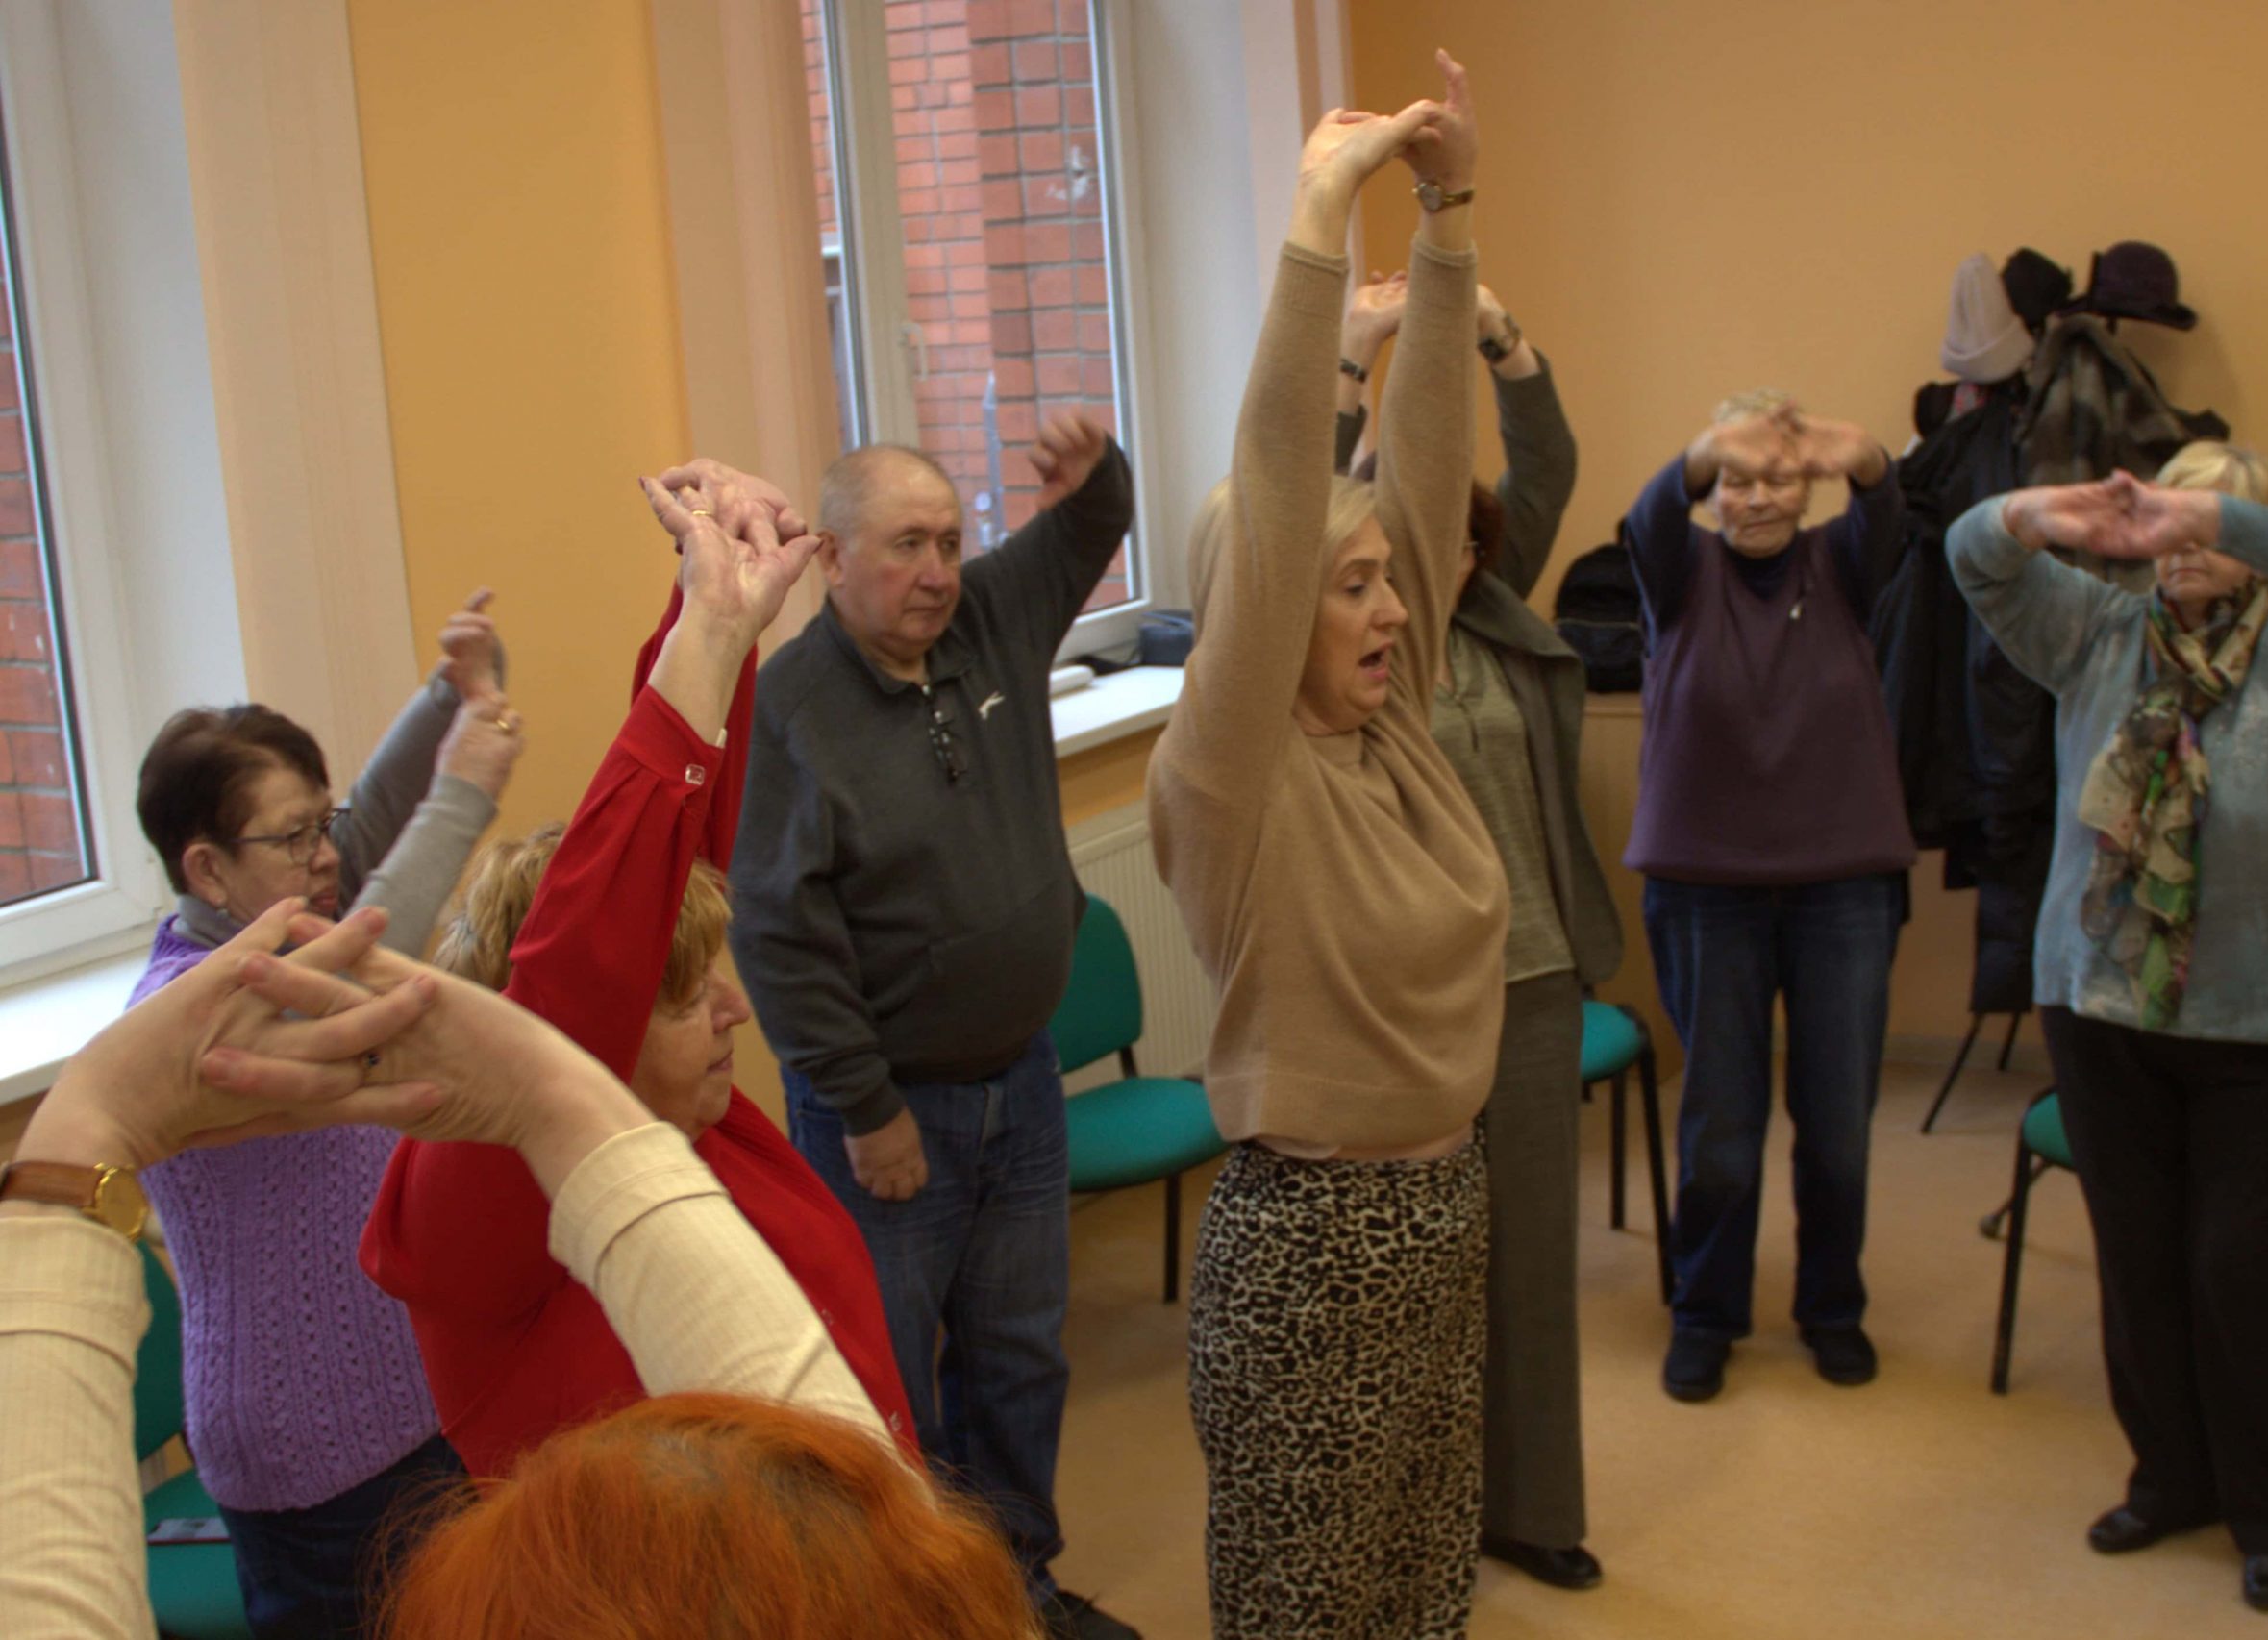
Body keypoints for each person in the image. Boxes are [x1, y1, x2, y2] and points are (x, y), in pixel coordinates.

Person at [0, 902, 1036, 1640]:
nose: (734, 1009)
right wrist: (557, 1092)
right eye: (686, 994)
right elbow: (825, 1466)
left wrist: (76, 1141)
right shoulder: (872, 1568)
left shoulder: (716, 1138)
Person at [1148, 55, 1506, 1637]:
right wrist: (1316, 218)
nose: (1388, 609)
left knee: (1425, 1586)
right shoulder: (1232, 771)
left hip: (1444, 1214)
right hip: (1311, 1254)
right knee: (1309, 1611)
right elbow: (1291, 479)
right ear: (1269, 606)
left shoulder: (1393, 725)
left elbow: (1416, 473)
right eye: (1346, 587)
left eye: (1388, 586)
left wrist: (1449, 216)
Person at [360, 469, 914, 1479]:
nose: (735, 1007)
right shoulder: (491, 1196)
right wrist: (707, 631)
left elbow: (675, 831)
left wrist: (715, 619)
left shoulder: (696, 1128)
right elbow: (586, 967)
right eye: (686, 993)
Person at [1949, 442, 2268, 1614]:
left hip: (2262, 1020)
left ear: (2257, 539)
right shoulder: (2097, 630)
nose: (2182, 541)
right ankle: (2170, 1480)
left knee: (2231, 1266)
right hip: (2099, 1005)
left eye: (2213, 520)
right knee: (2139, 1260)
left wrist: (2210, 514)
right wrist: (2036, 511)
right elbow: (1971, 558)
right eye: (2167, 515)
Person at [726, 415, 1137, 1640]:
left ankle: (1018, 1584)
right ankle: (917, 1610)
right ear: (830, 558)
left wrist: (1094, 477)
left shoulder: (985, 621)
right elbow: (779, 932)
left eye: (951, 541)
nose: (939, 571)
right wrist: (866, 1106)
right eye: (907, 544)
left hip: (1022, 1078)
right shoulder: (791, 708)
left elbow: (1088, 529)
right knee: (890, 1379)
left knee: (1019, 1356)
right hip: (890, 1112)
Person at [122, 593, 524, 1636]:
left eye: (322, 821)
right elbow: (359, 966)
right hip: (307, 1455)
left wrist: (446, 696)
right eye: (294, 835)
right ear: (206, 867)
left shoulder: (281, 925)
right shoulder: (188, 1008)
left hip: (404, 1408)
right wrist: (464, 793)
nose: (326, 854)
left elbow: (366, 833)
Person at [1334, 277, 1622, 1590]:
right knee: (1419, 1271)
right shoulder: (1349, 651)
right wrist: (1353, 360)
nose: (1439, 558)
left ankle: (1534, 1509)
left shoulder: (1501, 619)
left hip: (1537, 976)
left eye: (1460, 536)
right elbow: (1289, 507)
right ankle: (1422, 1506)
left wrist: (1503, 338)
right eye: (1411, 536)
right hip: (1410, 998)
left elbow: (1548, 460)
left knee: (1532, 1262)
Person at [1622, 394, 1915, 1404]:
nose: (1755, 499)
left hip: (1844, 889)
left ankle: (1832, 1308)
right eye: (1735, 479)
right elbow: (1651, 516)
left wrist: (1862, 455)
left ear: (1809, 487)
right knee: (1720, 1128)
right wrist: (1708, 450)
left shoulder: (1841, 564)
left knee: (1837, 1122)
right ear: (1711, 487)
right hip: (1706, 891)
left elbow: (1890, 513)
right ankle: (1704, 1313)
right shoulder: (1679, 569)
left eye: (1778, 478)